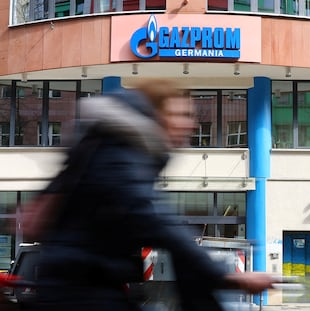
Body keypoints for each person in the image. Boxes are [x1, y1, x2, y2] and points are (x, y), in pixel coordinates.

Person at [22, 79, 274, 311]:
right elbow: (151, 215)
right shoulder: (120, 152)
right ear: (156, 115)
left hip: (83, 284)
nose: (191, 124)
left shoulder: (113, 147)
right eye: (181, 115)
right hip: (79, 291)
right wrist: (224, 274)